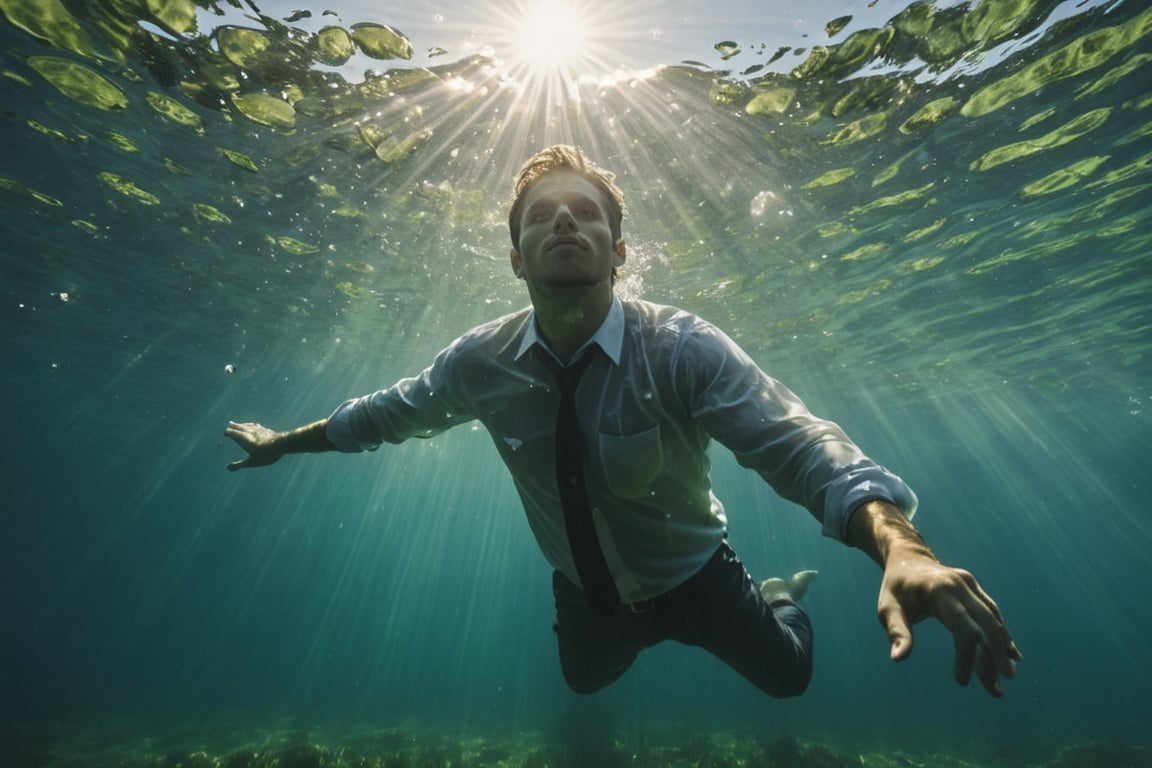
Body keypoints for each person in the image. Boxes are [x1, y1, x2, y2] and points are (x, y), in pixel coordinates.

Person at [226, 145, 1021, 698]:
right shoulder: (479, 363)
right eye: (542, 217)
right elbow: (379, 417)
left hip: (700, 579)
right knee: (582, 681)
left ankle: (780, 597)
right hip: (588, 600)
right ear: (515, 258)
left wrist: (902, 547)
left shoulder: (680, 348)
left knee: (790, 679)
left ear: (618, 251)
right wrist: (280, 443)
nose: (564, 223)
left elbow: (802, 447)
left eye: (585, 214)